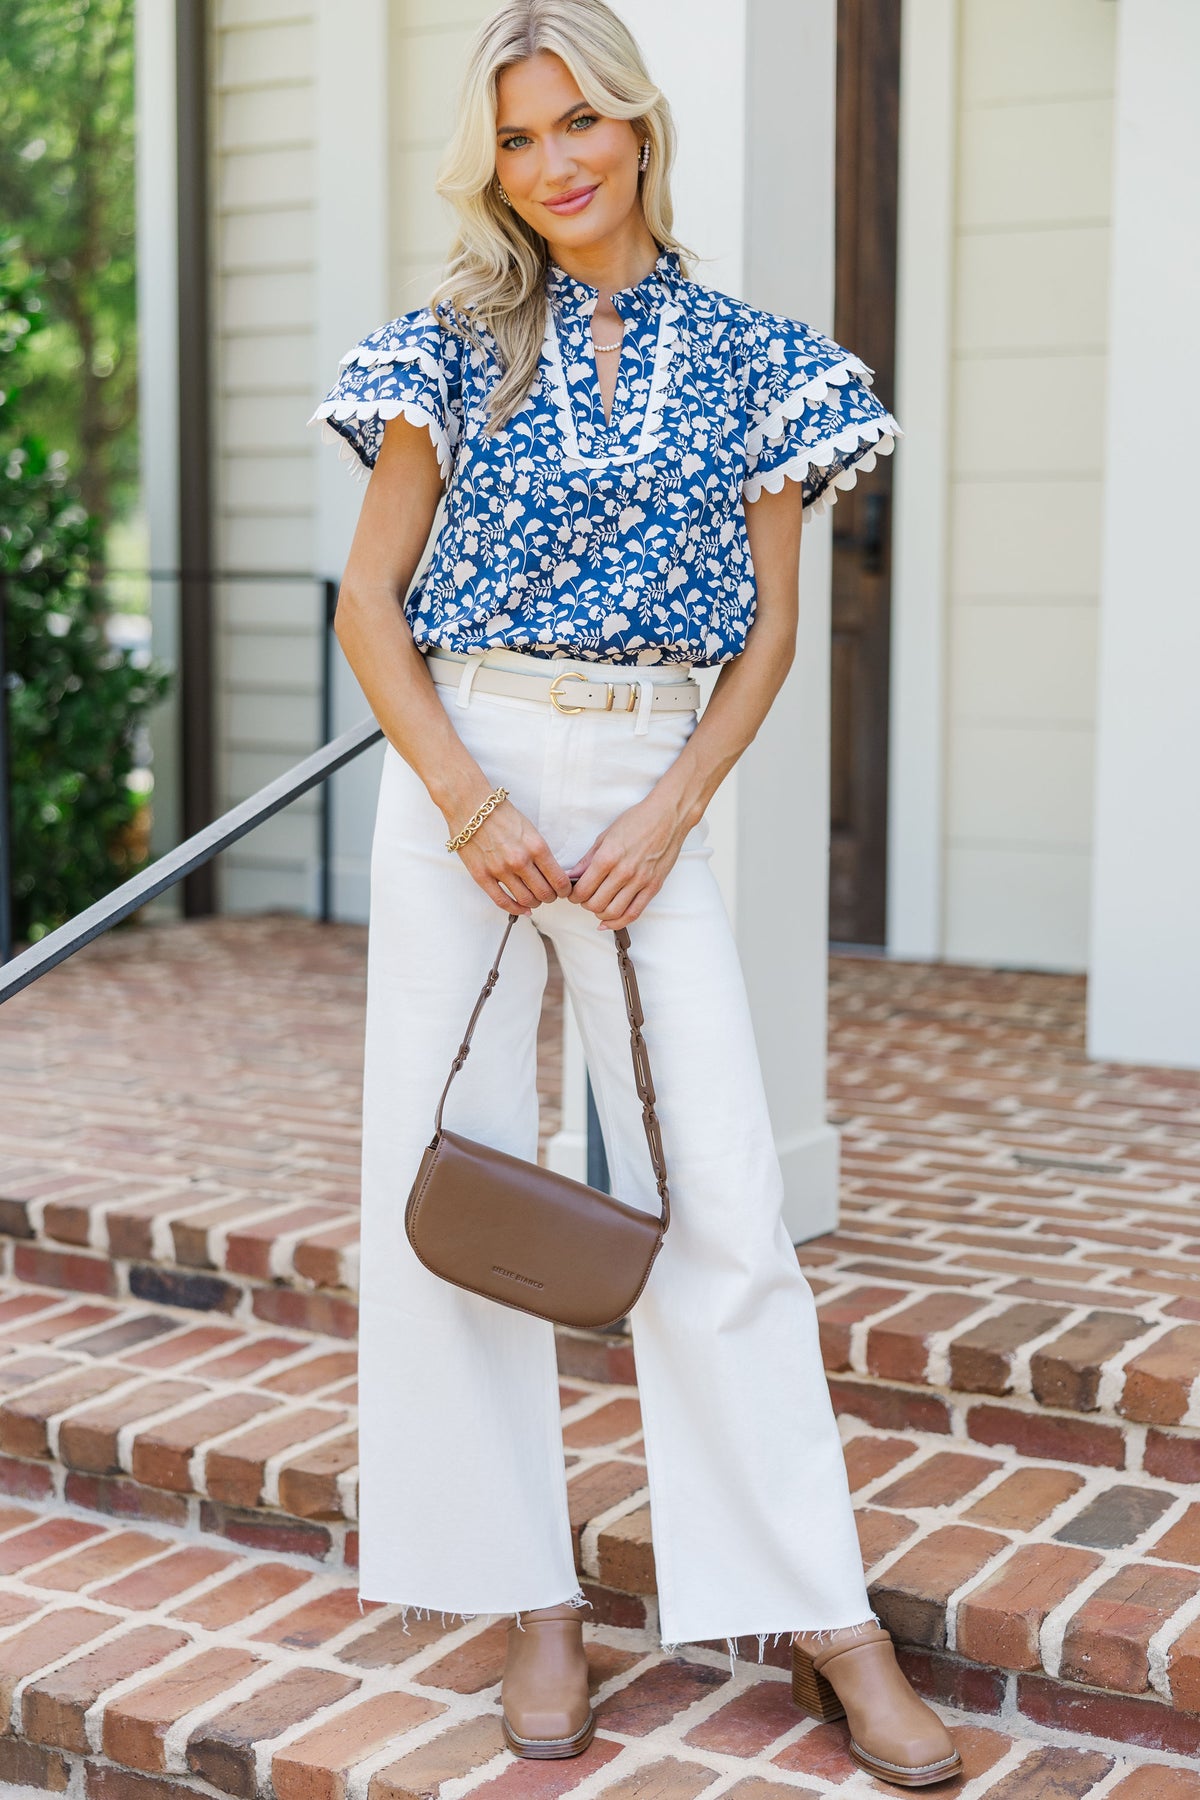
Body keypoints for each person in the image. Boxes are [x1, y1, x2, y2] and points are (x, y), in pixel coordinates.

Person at [308, 0, 959, 1785]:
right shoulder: (445, 345)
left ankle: (816, 1611)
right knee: (444, 1185)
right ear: (494, 163)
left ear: (641, 124)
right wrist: (463, 800)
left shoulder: (768, 362)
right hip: (469, 771)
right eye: (518, 138)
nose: (555, 162)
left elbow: (766, 638)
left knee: (723, 1195)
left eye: (578, 120)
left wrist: (673, 809)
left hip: (650, 786)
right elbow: (372, 605)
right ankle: (531, 1593)